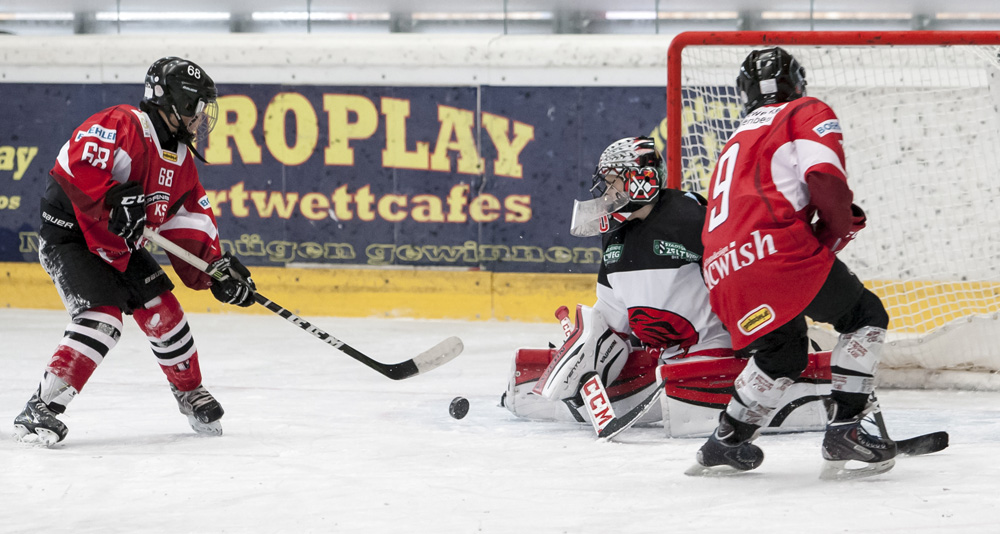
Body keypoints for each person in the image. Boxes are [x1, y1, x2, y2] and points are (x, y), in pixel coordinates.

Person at [502, 137, 830, 437]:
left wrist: (765, 339)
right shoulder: (615, 235)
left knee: (681, 391)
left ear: (641, 180)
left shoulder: (690, 218)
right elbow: (613, 313)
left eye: (613, 181)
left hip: (715, 350)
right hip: (665, 358)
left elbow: (744, 274)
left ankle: (781, 375)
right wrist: (587, 352)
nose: (606, 193)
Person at [13, 57, 257, 446]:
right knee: (103, 319)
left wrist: (215, 270)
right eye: (195, 107)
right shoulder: (122, 124)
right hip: (71, 236)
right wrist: (111, 199)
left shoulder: (181, 161)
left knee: (164, 309)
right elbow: (74, 166)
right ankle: (40, 407)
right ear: (172, 103)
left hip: (119, 245)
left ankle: (189, 391)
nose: (201, 118)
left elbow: (188, 222)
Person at [692, 47, 896, 479]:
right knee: (865, 316)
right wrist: (838, 227)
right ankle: (846, 427)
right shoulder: (804, 110)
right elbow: (823, 175)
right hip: (772, 254)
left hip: (721, 270)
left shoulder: (735, 139)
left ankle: (726, 439)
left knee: (781, 352)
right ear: (797, 83)